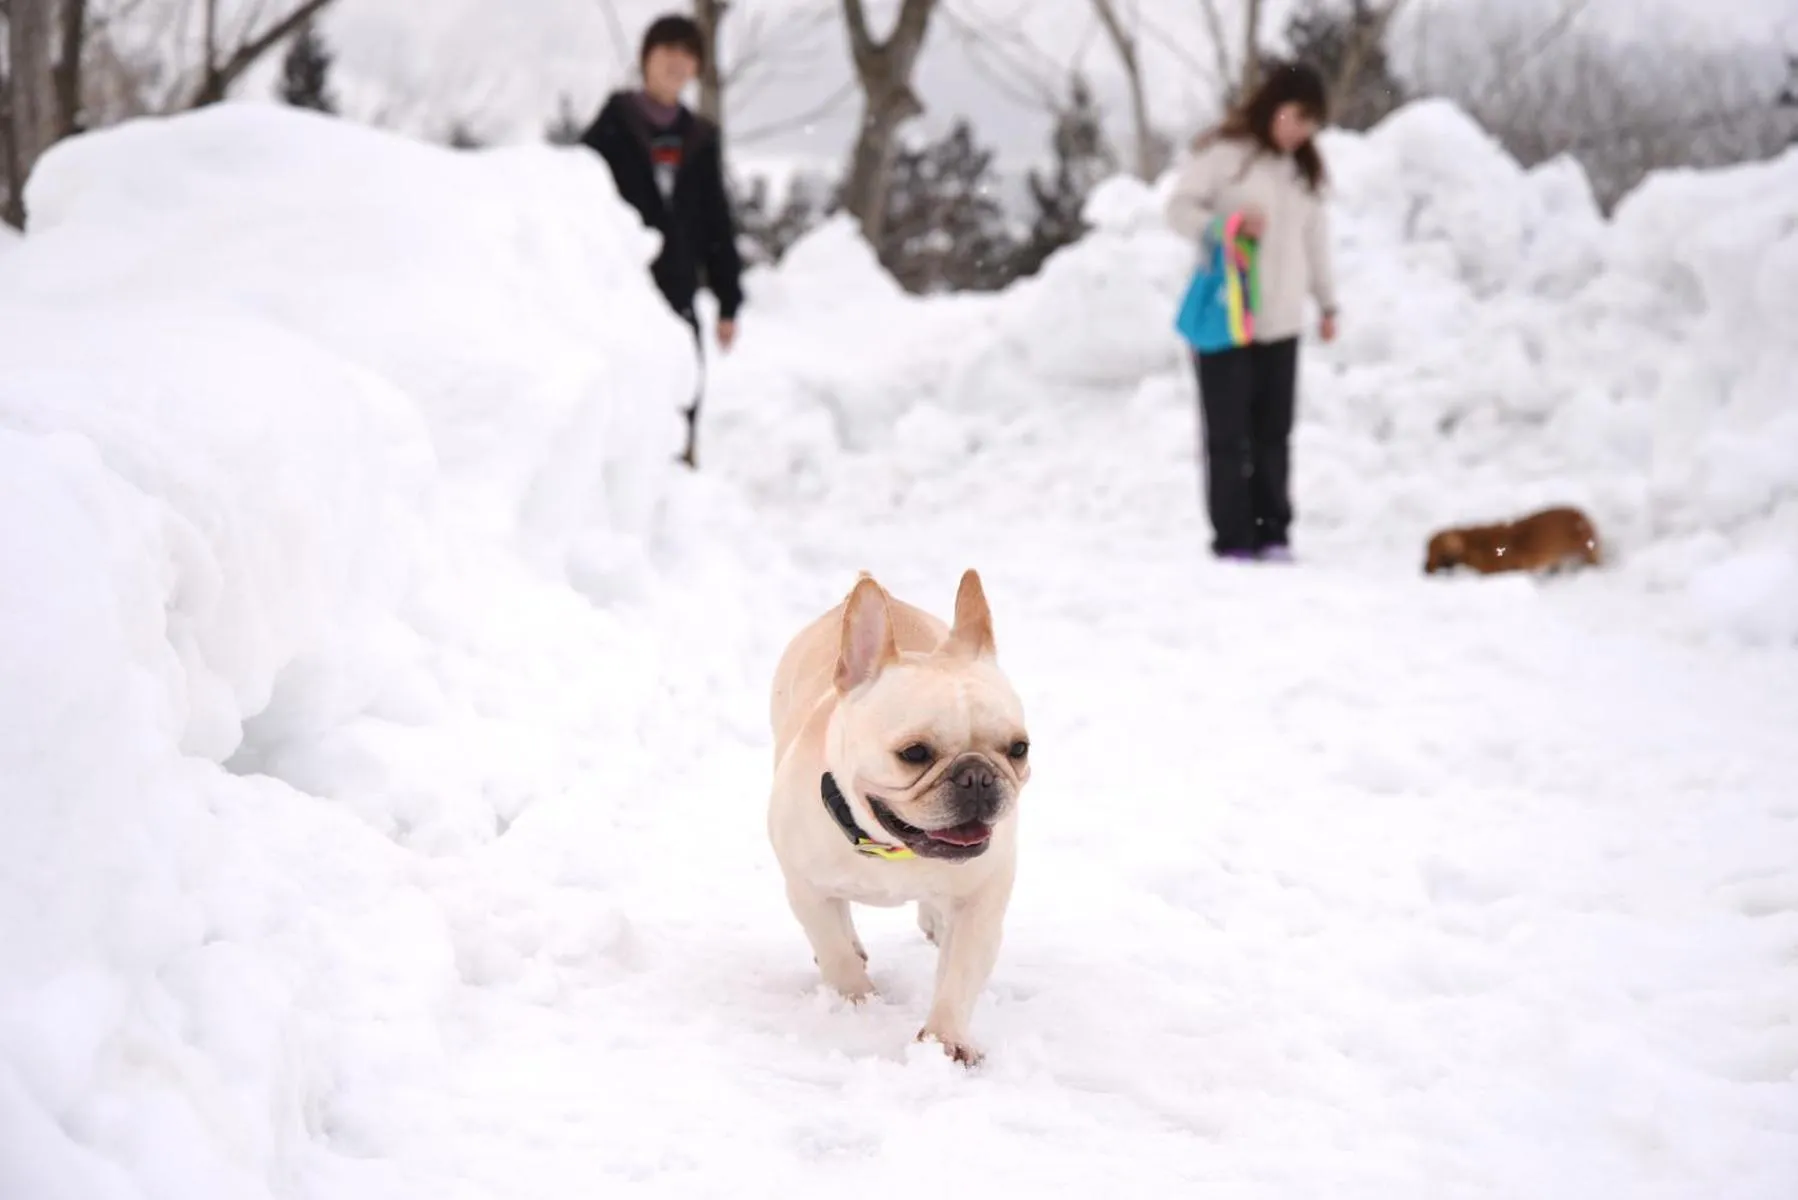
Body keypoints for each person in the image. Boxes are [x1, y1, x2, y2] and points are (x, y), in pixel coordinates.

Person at [1164, 61, 1339, 563]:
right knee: (1227, 435)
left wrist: (1327, 303)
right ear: (1275, 105)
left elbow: (1315, 240)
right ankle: (1233, 537)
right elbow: (1178, 209)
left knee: (1273, 435)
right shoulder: (1225, 157)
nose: (1302, 131)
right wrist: (1227, 225)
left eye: (1311, 124)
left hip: (1282, 322)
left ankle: (1273, 532)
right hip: (1229, 319)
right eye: (1297, 117)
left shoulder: (1302, 171)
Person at [580, 14, 745, 469]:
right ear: (645, 58)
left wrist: (729, 300)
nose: (677, 62)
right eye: (667, 51)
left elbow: (716, 222)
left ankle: (678, 475)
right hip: (621, 288)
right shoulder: (613, 125)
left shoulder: (700, 138)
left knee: (681, 387)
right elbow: (576, 197)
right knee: (621, 391)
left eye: (688, 54)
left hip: (678, 290)